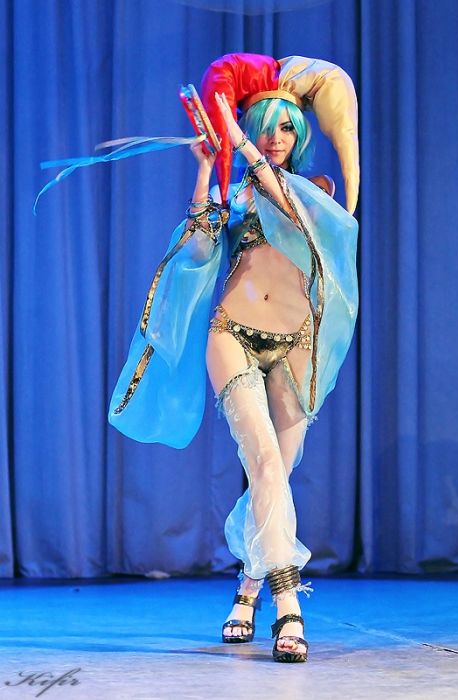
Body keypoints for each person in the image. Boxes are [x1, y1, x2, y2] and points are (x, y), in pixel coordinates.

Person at [37, 52, 359, 664]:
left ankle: (245, 591)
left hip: (297, 345)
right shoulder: (236, 192)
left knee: (274, 475)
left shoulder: (316, 191)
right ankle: (288, 605)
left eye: (287, 126)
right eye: (263, 125)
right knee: (263, 462)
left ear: (300, 134)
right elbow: (197, 250)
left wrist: (240, 141)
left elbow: (293, 216)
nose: (276, 136)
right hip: (231, 335)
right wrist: (208, 170)